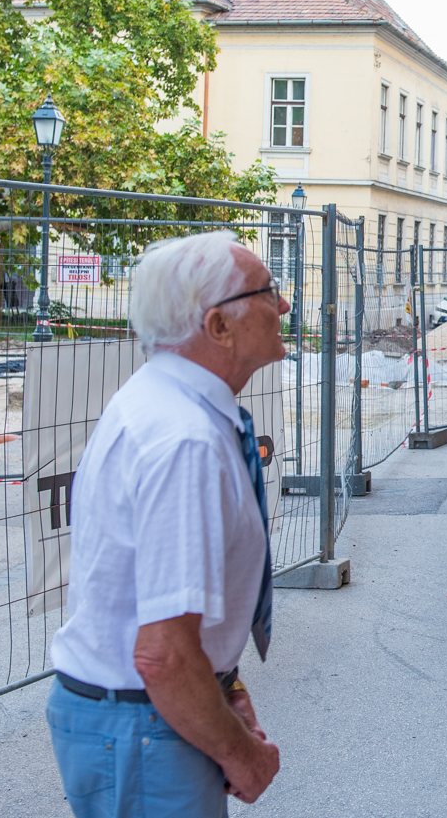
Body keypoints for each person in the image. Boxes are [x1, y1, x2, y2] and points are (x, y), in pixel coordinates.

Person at [46, 231, 285, 818]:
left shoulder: (170, 403)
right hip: (142, 722)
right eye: (268, 292)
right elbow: (163, 654)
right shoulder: (185, 437)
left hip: (140, 716)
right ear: (218, 326)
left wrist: (225, 687)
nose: (282, 306)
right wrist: (243, 757)